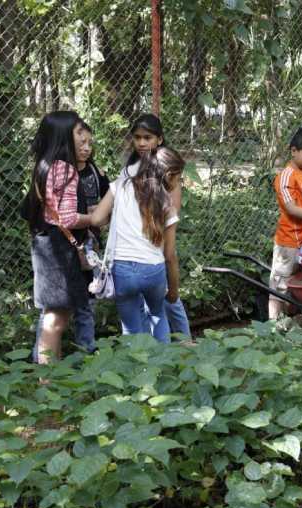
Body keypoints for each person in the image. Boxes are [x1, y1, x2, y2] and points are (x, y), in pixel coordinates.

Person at [88, 145, 184, 343]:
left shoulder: (120, 185)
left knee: (131, 328)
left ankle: (136, 369)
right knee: (158, 316)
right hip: (154, 270)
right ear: (168, 175)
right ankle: (162, 366)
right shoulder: (167, 205)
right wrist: (174, 290)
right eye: (178, 177)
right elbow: (170, 256)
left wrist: (115, 215)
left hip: (122, 270)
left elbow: (96, 219)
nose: (178, 182)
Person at [32, 121, 108, 361]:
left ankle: (50, 373)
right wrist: (94, 217)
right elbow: (67, 217)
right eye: (78, 133)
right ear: (63, 135)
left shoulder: (45, 165)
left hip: (48, 241)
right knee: (56, 318)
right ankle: (47, 379)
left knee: (55, 315)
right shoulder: (64, 169)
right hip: (59, 247)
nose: (85, 143)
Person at [124, 114, 192, 339]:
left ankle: (186, 342)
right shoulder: (132, 167)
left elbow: (172, 210)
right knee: (147, 306)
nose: (142, 143)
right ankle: (152, 351)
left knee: (171, 299)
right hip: (138, 246)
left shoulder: (167, 166)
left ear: (160, 139)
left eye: (148, 137)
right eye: (137, 138)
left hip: (160, 241)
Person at [269, 127, 302, 320]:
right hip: (289, 240)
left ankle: (296, 323)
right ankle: (274, 325)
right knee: (279, 285)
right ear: (293, 151)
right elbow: (290, 208)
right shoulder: (286, 175)